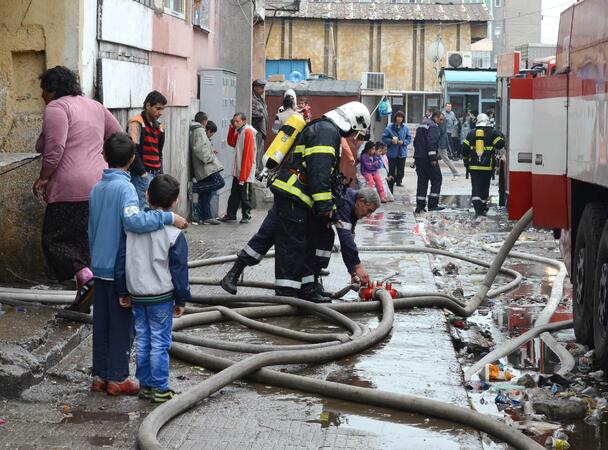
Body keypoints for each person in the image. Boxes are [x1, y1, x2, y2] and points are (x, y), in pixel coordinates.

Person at [221, 101, 371, 302]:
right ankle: (287, 295)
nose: (354, 138)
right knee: (292, 247)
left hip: (294, 196)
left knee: (277, 237)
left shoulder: (324, 129)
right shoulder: (327, 132)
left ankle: (305, 288)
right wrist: (326, 206)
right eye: (357, 133)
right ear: (352, 121)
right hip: (295, 196)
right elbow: (319, 171)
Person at [88, 132, 187, 396]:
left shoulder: (96, 188)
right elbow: (133, 222)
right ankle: (118, 377)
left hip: (99, 266)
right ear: (133, 159)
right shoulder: (127, 189)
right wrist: (168, 218)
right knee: (122, 328)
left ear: (104, 156)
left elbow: (90, 229)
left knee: (101, 325)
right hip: (119, 271)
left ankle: (99, 375)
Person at [33, 66, 123, 312]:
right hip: (98, 183)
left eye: (43, 90)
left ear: (52, 89)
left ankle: (86, 278)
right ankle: (84, 297)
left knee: (54, 240)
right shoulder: (95, 106)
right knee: (81, 241)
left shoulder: (57, 108)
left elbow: (54, 149)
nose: (42, 96)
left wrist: (43, 178)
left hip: (69, 186)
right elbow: (118, 135)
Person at [220, 187, 378, 298]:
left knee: (323, 239)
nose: (368, 215)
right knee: (263, 240)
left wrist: (352, 271)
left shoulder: (351, 204)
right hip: (290, 207)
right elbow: (346, 241)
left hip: (294, 207)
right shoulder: (345, 202)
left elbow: (347, 238)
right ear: (361, 201)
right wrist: (357, 266)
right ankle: (232, 275)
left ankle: (311, 285)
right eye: (369, 210)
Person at [115, 174, 190, 403]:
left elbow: (121, 260)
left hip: (137, 294)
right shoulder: (175, 233)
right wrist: (182, 300)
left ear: (147, 196)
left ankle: (145, 385)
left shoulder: (133, 228)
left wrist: (122, 291)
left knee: (144, 339)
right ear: (175, 201)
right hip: (161, 296)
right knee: (160, 341)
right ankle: (160, 387)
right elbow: (179, 272)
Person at [128, 91, 167, 209]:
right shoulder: (136, 122)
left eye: (162, 109)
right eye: (158, 108)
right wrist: (142, 172)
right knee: (141, 208)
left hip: (155, 174)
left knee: (154, 208)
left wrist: (160, 172)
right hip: (142, 174)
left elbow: (159, 152)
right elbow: (132, 148)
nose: (160, 112)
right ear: (148, 106)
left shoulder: (159, 127)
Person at [461, 113, 505, 216]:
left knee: (475, 185)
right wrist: (500, 135)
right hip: (487, 166)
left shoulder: (471, 133)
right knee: (485, 186)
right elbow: (500, 145)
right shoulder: (493, 132)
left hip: (474, 166)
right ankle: (483, 207)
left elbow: (464, 149)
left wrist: (466, 161)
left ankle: (477, 206)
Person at [219, 113, 256, 224]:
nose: (235, 124)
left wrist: (243, 176)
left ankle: (246, 215)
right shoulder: (241, 131)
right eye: (234, 121)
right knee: (234, 194)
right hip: (238, 170)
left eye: (237, 121)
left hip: (245, 171)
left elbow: (248, 155)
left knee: (245, 194)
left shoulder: (247, 132)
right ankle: (231, 215)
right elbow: (231, 142)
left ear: (243, 122)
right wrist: (231, 128)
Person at [190, 116, 225, 225]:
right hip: (207, 166)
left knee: (207, 192)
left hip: (206, 167)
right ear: (204, 122)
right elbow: (200, 149)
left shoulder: (199, 131)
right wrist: (210, 157)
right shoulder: (200, 130)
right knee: (219, 182)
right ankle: (194, 188)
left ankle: (206, 216)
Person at [413, 110, 444, 214]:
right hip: (427, 158)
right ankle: (433, 204)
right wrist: (433, 158)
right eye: (441, 119)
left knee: (422, 181)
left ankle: (420, 206)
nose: (441, 121)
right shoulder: (433, 126)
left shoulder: (422, 124)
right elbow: (431, 142)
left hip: (419, 157)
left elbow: (415, 141)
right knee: (437, 178)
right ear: (435, 117)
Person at [382, 110, 411, 190]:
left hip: (402, 152)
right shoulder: (389, 127)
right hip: (392, 152)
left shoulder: (405, 128)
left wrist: (404, 142)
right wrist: (391, 141)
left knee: (401, 168)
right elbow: (384, 138)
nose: (399, 119)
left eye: (401, 117)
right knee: (391, 168)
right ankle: (391, 181)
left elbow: (409, 138)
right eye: (398, 117)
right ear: (395, 118)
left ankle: (399, 181)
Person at [251, 79, 269, 170]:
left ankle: (258, 170)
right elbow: (252, 113)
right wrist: (261, 115)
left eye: (263, 88)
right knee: (256, 152)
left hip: (261, 131)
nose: (262, 90)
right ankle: (255, 170)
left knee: (260, 152)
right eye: (261, 88)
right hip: (257, 129)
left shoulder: (260, 99)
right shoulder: (252, 99)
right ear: (255, 87)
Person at [437, 113, 461, 177]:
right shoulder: (442, 122)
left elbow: (440, 133)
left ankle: (455, 172)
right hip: (439, 143)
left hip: (440, 144)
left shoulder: (441, 123)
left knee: (446, 159)